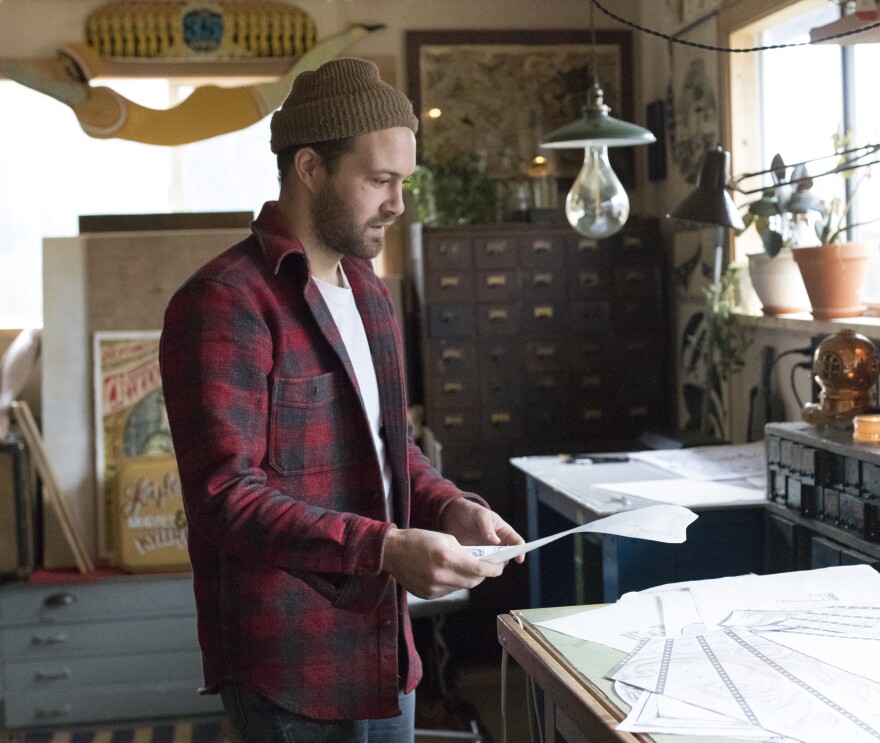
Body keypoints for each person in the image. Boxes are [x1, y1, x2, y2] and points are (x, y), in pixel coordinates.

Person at [160, 57, 524, 742]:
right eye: (380, 180)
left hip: (386, 650)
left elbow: (391, 449)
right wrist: (385, 547)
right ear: (309, 168)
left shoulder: (368, 292)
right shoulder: (224, 301)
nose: (398, 203)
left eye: (403, 181)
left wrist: (449, 506)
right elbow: (223, 497)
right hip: (290, 664)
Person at [0, 26, 372, 146]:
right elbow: (309, 66)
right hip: (237, 110)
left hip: (230, 111)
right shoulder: (96, 103)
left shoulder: (96, 103)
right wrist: (351, 37)